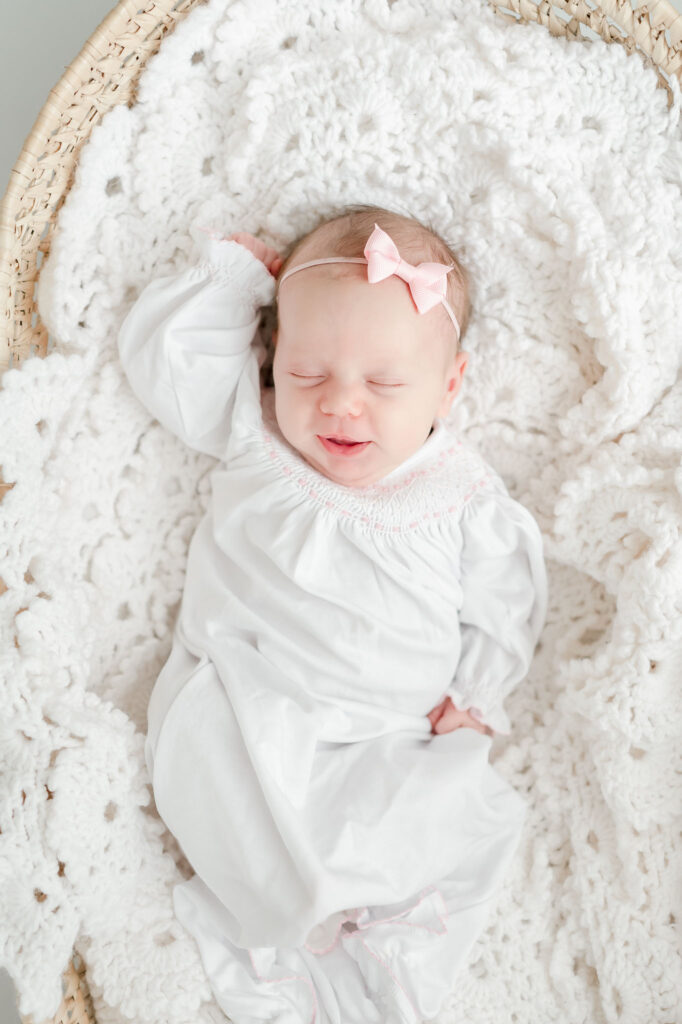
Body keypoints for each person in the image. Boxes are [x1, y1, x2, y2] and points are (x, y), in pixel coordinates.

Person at [117, 204, 547, 1024]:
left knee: (459, 811)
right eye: (307, 375)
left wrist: (479, 693)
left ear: (449, 385)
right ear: (274, 362)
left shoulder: (462, 496)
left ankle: (371, 936)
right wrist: (228, 280)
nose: (341, 407)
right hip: (245, 699)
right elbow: (163, 363)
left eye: (385, 385)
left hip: (387, 733)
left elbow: (508, 600)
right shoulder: (255, 432)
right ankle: (292, 922)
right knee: (215, 774)